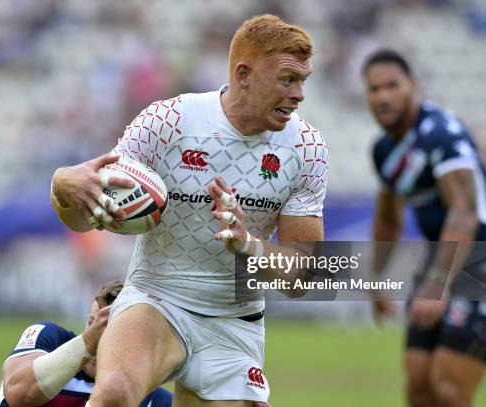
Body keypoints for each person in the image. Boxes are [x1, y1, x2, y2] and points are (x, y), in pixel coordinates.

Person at [51, 14, 328, 406]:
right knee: (114, 393)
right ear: (244, 74)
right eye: (288, 80)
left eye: (304, 81)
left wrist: (249, 247)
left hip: (234, 319)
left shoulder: (307, 148)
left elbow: (303, 275)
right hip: (157, 296)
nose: (299, 94)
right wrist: (63, 184)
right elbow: (85, 217)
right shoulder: (168, 121)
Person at [363, 49, 485, 407]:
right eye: (374, 89)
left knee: (449, 389)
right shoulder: (384, 150)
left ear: (413, 86)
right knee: (418, 385)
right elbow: (389, 218)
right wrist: (376, 279)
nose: (383, 97)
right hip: (441, 257)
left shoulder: (441, 134)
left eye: (391, 86)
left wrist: (437, 285)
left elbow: (464, 211)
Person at [0, 280, 173, 406]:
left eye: (112, 333)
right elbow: (18, 392)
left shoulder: (152, 400)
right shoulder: (50, 340)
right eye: (93, 323)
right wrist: (88, 343)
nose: (100, 338)